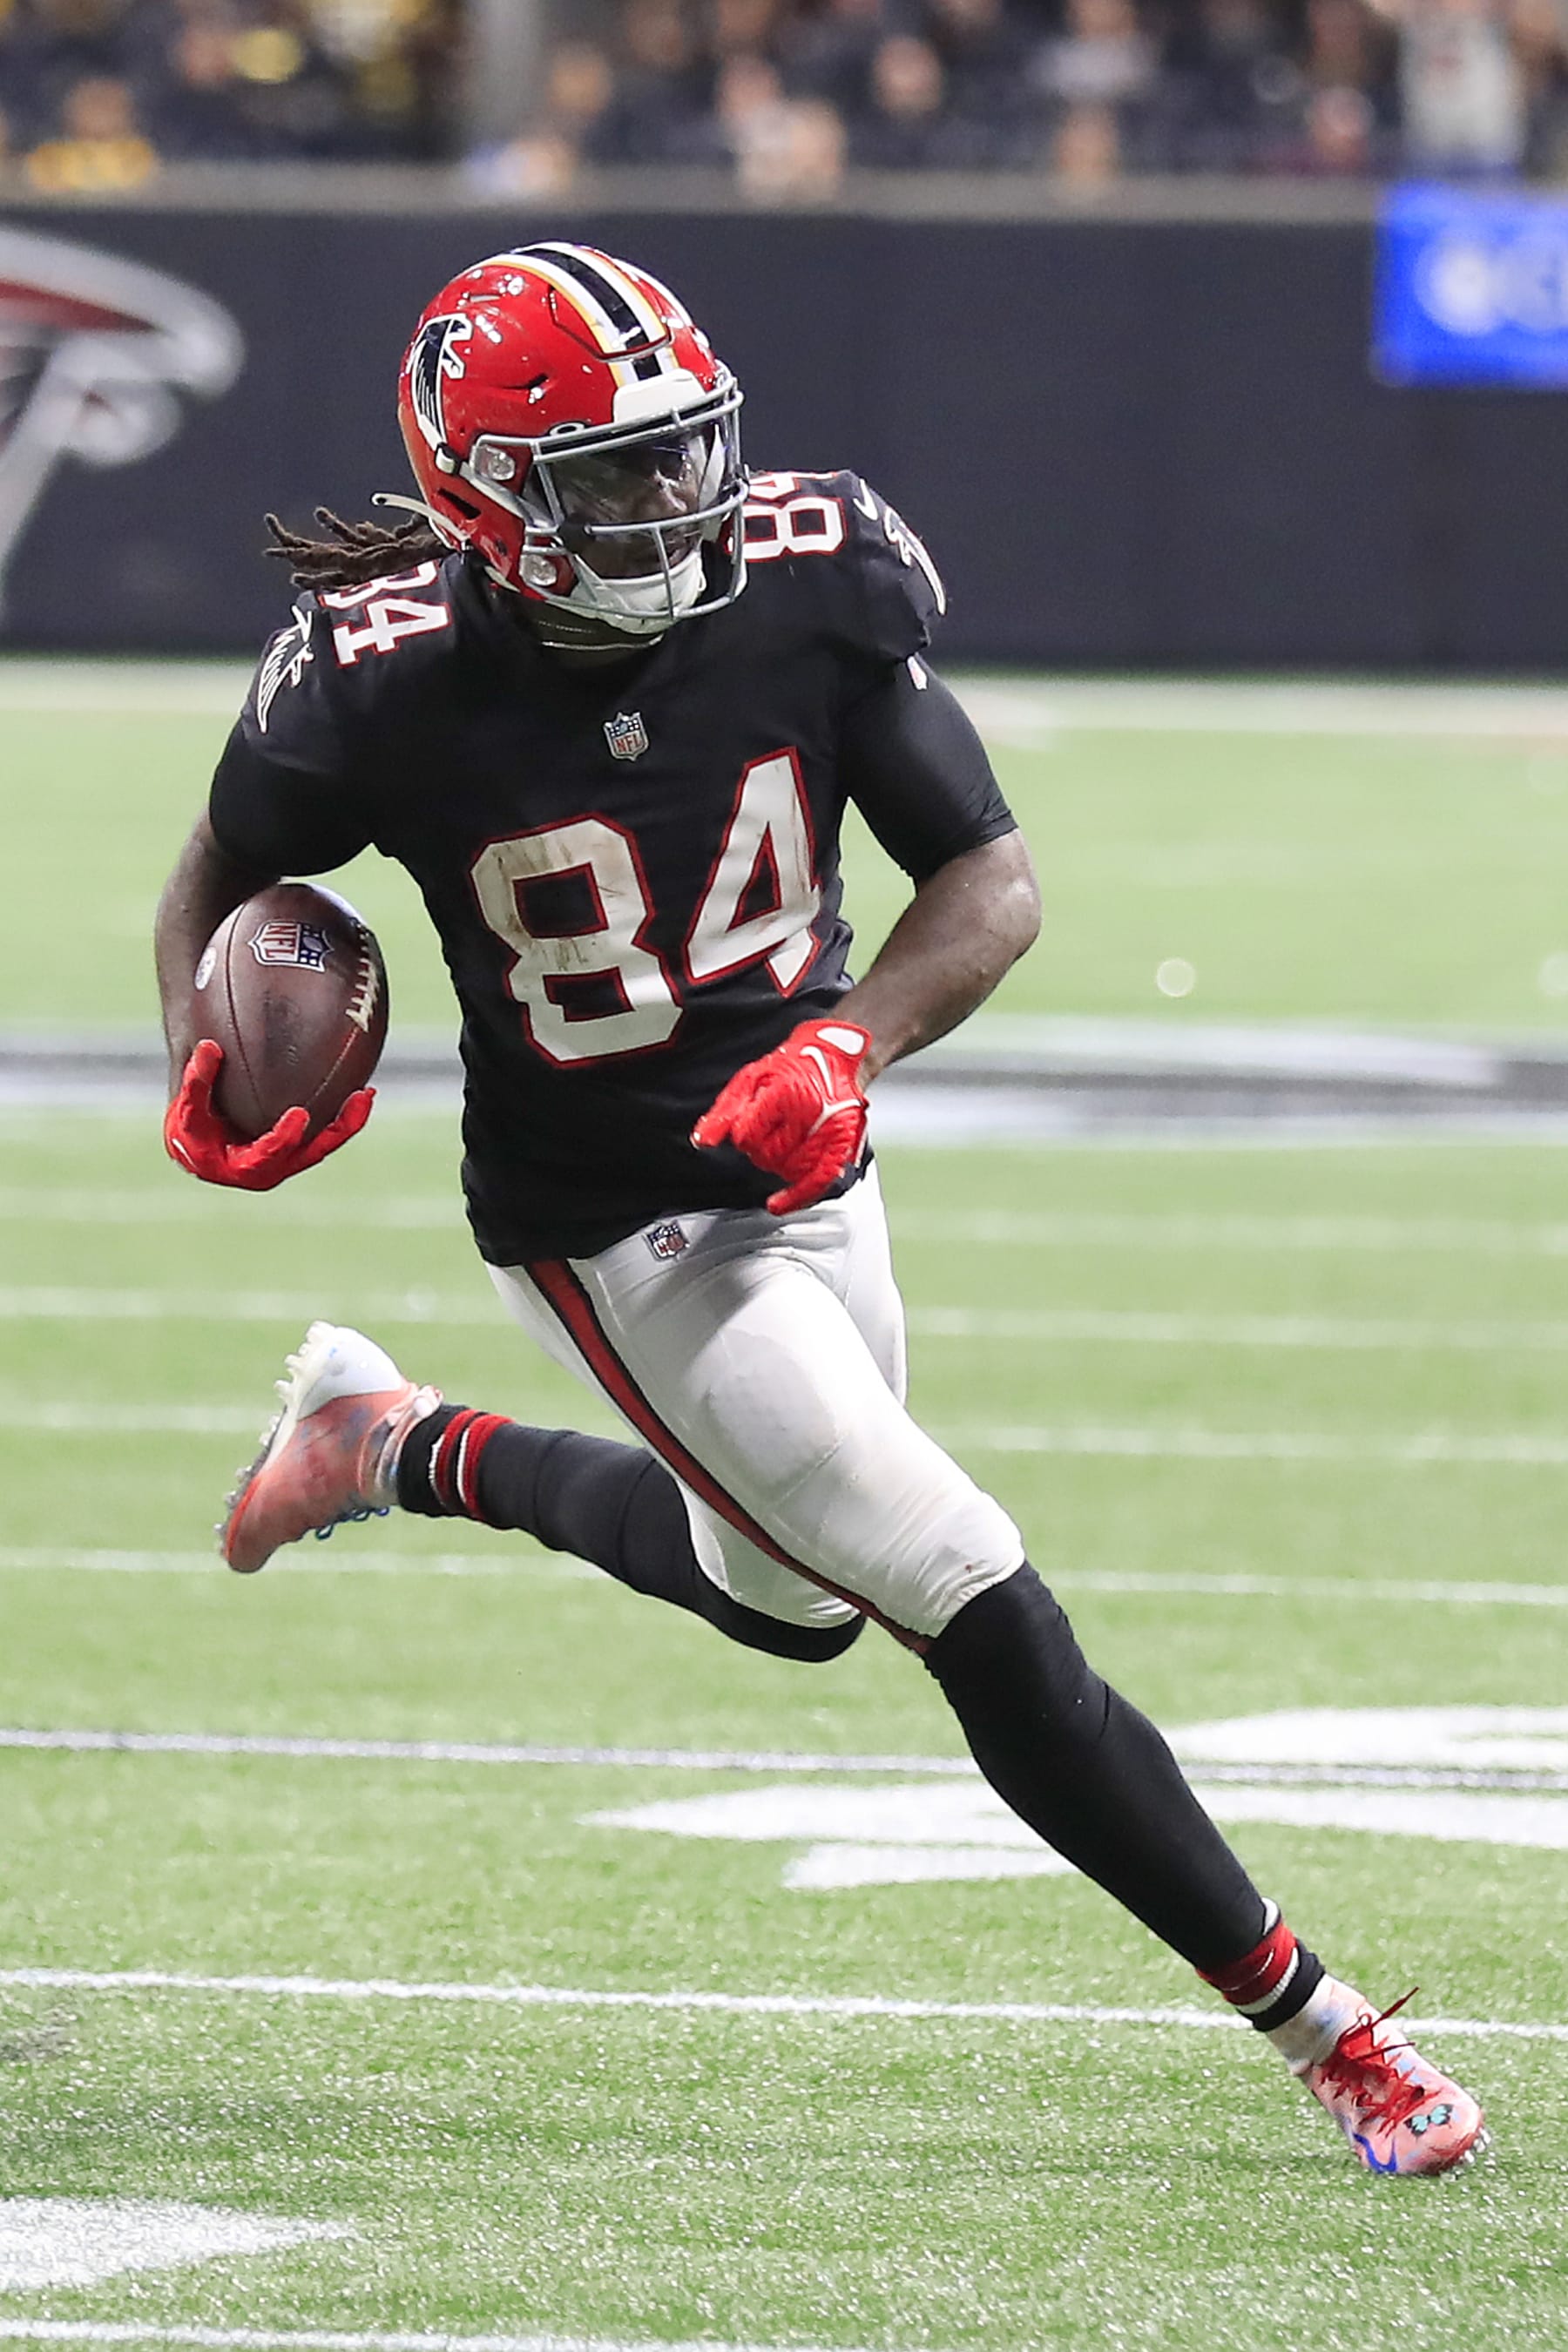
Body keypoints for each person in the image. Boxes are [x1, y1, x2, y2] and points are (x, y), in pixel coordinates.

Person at [154, 241, 1485, 2180]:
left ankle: (389, 1442)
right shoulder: (380, 680)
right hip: (612, 1213)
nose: (673, 507)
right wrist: (211, 1058)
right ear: (487, 502)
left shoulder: (817, 581)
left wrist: (848, 1050)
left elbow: (990, 882)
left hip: (803, 1152)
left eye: (684, 454)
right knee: (956, 1579)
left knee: (785, 1601)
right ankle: (1324, 2025)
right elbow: (221, 878)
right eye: (611, 480)